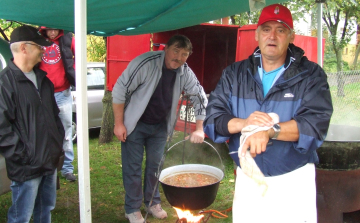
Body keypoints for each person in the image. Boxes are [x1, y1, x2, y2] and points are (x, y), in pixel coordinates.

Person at [203, 4, 333, 223]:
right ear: (257, 34)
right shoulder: (235, 74)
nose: (272, 36)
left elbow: (315, 124)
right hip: (248, 179)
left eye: (280, 30)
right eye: (266, 29)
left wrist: (271, 131)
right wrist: (243, 123)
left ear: (291, 36)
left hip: (293, 181)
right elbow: (212, 118)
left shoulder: (311, 75)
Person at [112, 35, 207, 223]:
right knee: (132, 167)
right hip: (135, 124)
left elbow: (199, 96)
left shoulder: (185, 72)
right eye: (175, 51)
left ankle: (152, 202)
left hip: (160, 127)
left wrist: (199, 128)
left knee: (156, 167)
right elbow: (120, 89)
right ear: (166, 49)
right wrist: (119, 123)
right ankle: (132, 208)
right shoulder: (145, 63)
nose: (178, 58)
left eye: (184, 54)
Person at [0, 25, 65, 223]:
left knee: (45, 211)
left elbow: (54, 117)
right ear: (24, 49)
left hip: (49, 162)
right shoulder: (5, 83)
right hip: (26, 167)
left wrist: (56, 147)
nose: (44, 51)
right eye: (40, 47)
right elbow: (2, 129)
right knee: (21, 217)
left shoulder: (44, 80)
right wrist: (24, 157)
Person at [38, 26, 76, 182]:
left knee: (66, 130)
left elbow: (79, 55)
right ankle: (48, 166)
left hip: (62, 92)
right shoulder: (38, 41)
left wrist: (73, 72)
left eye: (55, 29)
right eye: (49, 30)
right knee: (43, 130)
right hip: (42, 92)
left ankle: (67, 168)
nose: (52, 33)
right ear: (43, 30)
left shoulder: (67, 39)